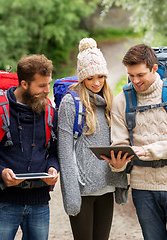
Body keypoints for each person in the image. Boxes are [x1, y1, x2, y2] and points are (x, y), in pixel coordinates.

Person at [102, 43, 167, 240]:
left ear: (154, 69)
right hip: (143, 188)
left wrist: (149, 151)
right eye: (131, 75)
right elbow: (120, 143)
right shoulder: (122, 101)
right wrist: (118, 163)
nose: (135, 80)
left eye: (140, 75)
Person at [58, 38, 129, 240]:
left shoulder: (109, 103)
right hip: (83, 191)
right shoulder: (70, 104)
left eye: (101, 77)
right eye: (90, 78)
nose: (96, 83)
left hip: (106, 187)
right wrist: (71, 195)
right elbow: (65, 152)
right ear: (82, 79)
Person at [0, 54, 59, 240]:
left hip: (40, 202)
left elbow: (53, 151)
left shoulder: (50, 111)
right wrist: (0, 172)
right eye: (41, 86)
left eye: (48, 84)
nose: (47, 90)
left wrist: (53, 168)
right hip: (3, 201)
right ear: (24, 84)